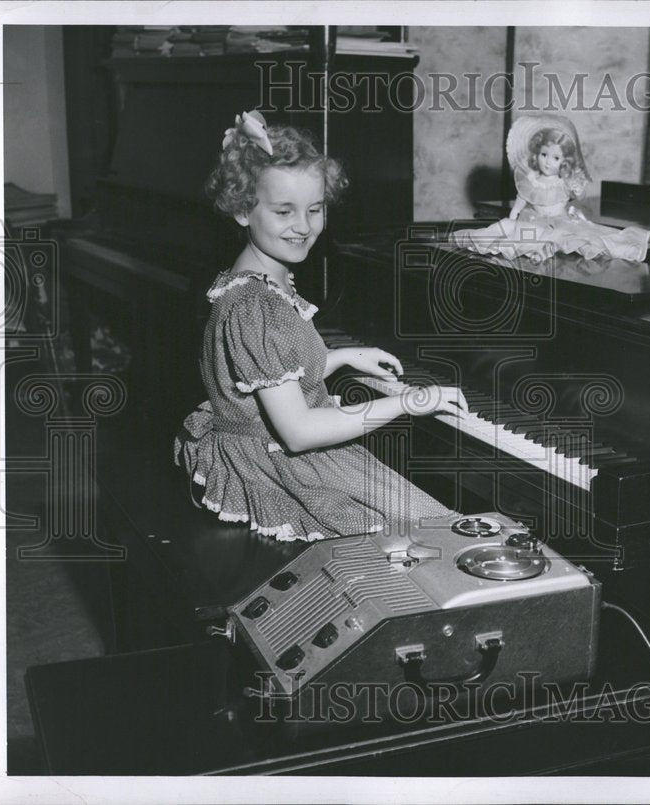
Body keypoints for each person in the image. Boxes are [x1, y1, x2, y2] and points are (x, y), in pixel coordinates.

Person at [174, 110, 467, 542]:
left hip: (261, 445)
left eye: (315, 209)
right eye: (283, 211)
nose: (305, 227)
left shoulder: (258, 278)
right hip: (275, 464)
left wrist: (343, 357)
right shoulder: (255, 306)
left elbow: (268, 377)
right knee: (439, 531)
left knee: (425, 512)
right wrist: (410, 402)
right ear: (241, 210)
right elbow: (299, 432)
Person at [450, 114, 650, 263]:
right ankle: (530, 250)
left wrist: (577, 186)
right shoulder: (531, 179)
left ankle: (542, 253)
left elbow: (580, 194)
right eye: (544, 154)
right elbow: (522, 199)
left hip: (560, 222)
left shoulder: (563, 181)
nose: (547, 162)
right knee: (508, 228)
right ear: (536, 153)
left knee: (572, 238)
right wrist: (513, 215)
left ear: (564, 161)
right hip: (533, 220)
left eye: (555, 158)